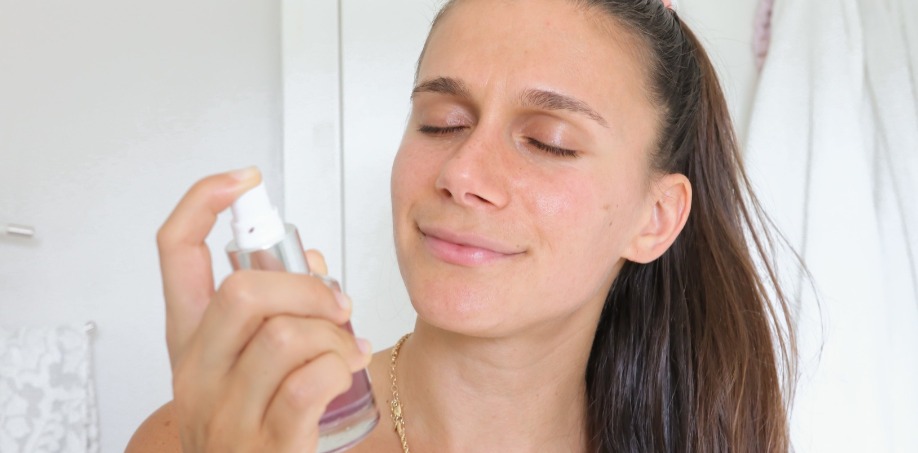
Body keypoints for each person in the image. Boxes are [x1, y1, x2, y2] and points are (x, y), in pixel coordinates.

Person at [128, 0, 797, 451]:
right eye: (440, 122)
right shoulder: (221, 435)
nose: (463, 172)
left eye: (548, 140)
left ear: (655, 219)